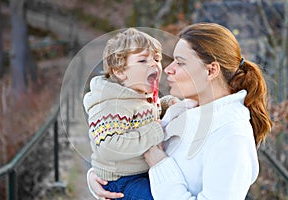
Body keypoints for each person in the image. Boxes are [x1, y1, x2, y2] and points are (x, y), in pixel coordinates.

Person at [87, 22, 272, 200]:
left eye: (180, 62)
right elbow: (125, 148)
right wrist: (99, 177)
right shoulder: (182, 110)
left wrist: (160, 165)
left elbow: (157, 164)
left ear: (210, 71)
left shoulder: (232, 137)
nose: (167, 69)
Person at [83, 28, 168, 200]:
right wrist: (153, 132)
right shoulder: (111, 104)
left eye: (157, 59)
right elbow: (109, 147)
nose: (154, 64)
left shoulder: (139, 96)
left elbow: (147, 117)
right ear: (120, 71)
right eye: (143, 60)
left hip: (141, 172)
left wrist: (167, 105)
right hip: (122, 180)